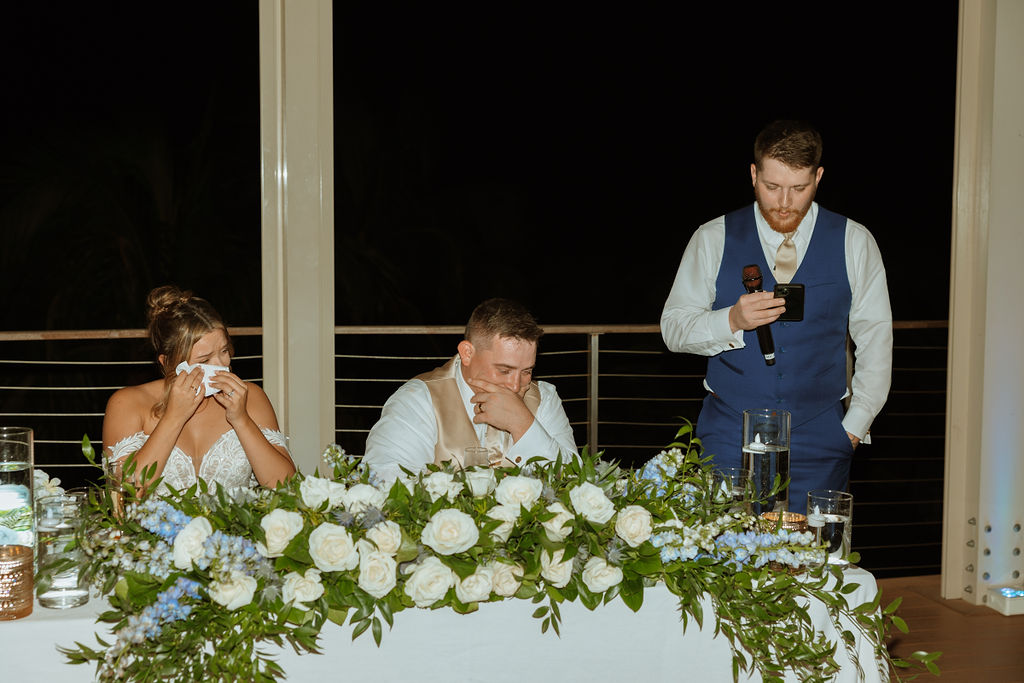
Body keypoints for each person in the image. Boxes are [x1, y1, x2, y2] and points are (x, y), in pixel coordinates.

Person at [660, 120, 892, 514]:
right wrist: (730, 319)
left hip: (820, 436)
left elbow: (875, 338)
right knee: (720, 563)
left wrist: (853, 427)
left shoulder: (855, 241)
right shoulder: (712, 237)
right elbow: (673, 330)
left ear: (818, 177)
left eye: (799, 188)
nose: (784, 202)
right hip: (728, 434)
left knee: (811, 566)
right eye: (772, 186)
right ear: (753, 174)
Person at [102, 285, 295, 492]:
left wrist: (241, 420)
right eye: (205, 359)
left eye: (224, 350)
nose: (221, 365)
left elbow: (287, 487)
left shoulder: (251, 396)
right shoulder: (127, 403)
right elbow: (126, 497)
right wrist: (174, 417)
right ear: (168, 363)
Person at [363, 298, 578, 482]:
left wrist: (523, 424)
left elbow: (574, 481)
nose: (515, 386)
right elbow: (387, 485)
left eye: (527, 371)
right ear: (467, 353)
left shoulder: (545, 398)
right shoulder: (417, 399)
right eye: (504, 370)